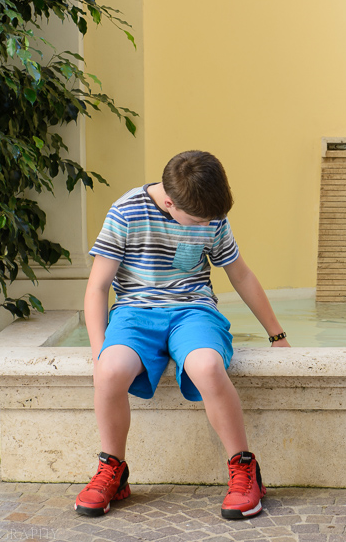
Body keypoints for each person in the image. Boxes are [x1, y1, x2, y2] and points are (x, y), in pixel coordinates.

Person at [74, 150, 290, 520]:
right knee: (109, 372)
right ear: (170, 203)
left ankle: (244, 469)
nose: (206, 224)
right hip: (135, 313)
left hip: (194, 310)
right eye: (198, 221)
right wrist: (99, 352)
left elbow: (241, 275)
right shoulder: (126, 212)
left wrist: (277, 335)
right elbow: (97, 288)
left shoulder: (210, 213)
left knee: (207, 367)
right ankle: (113, 469)